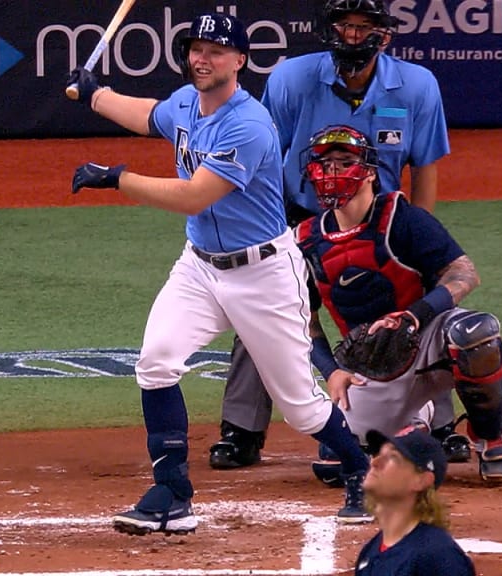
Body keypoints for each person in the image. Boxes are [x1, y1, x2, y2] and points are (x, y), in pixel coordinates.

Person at [66, 14, 375, 534]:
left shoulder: (249, 124)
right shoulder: (188, 102)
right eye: (194, 49)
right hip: (200, 267)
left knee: (300, 407)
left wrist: (117, 177)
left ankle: (360, 469)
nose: (200, 59)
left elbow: (195, 194)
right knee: (157, 360)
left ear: (239, 61)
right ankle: (171, 493)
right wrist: (97, 95)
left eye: (214, 50)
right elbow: (151, 115)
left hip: (264, 276)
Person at [208, 0, 467, 475]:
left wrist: (415, 238)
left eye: (362, 26)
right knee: (265, 306)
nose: (350, 35)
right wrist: (270, 231)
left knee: (421, 305)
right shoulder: (291, 80)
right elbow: (266, 154)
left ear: (382, 34)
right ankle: (241, 429)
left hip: (383, 217)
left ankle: (442, 423)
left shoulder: (415, 86)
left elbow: (424, 168)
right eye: (343, 25)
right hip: (296, 212)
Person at [293, 124, 502, 484]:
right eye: (325, 163)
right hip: (369, 364)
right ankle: (410, 425)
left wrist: (414, 316)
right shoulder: (304, 241)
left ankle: (490, 435)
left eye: (344, 161)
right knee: (338, 465)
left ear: (367, 171)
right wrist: (331, 370)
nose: (332, 171)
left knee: (477, 334)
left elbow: (464, 274)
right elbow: (303, 320)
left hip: (428, 341)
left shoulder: (403, 219)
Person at [355, 426, 476, 575]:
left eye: (393, 457)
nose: (374, 462)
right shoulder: (370, 552)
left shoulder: (437, 557)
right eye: (378, 454)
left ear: (421, 481)